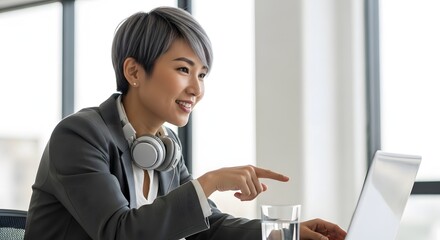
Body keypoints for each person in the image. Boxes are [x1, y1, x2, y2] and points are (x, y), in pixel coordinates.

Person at [24, 6, 346, 240]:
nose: (197, 88)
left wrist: (282, 234)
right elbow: (119, 232)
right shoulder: (79, 136)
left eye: (202, 74)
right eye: (183, 70)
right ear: (134, 72)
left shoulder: (165, 146)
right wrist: (210, 182)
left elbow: (208, 226)